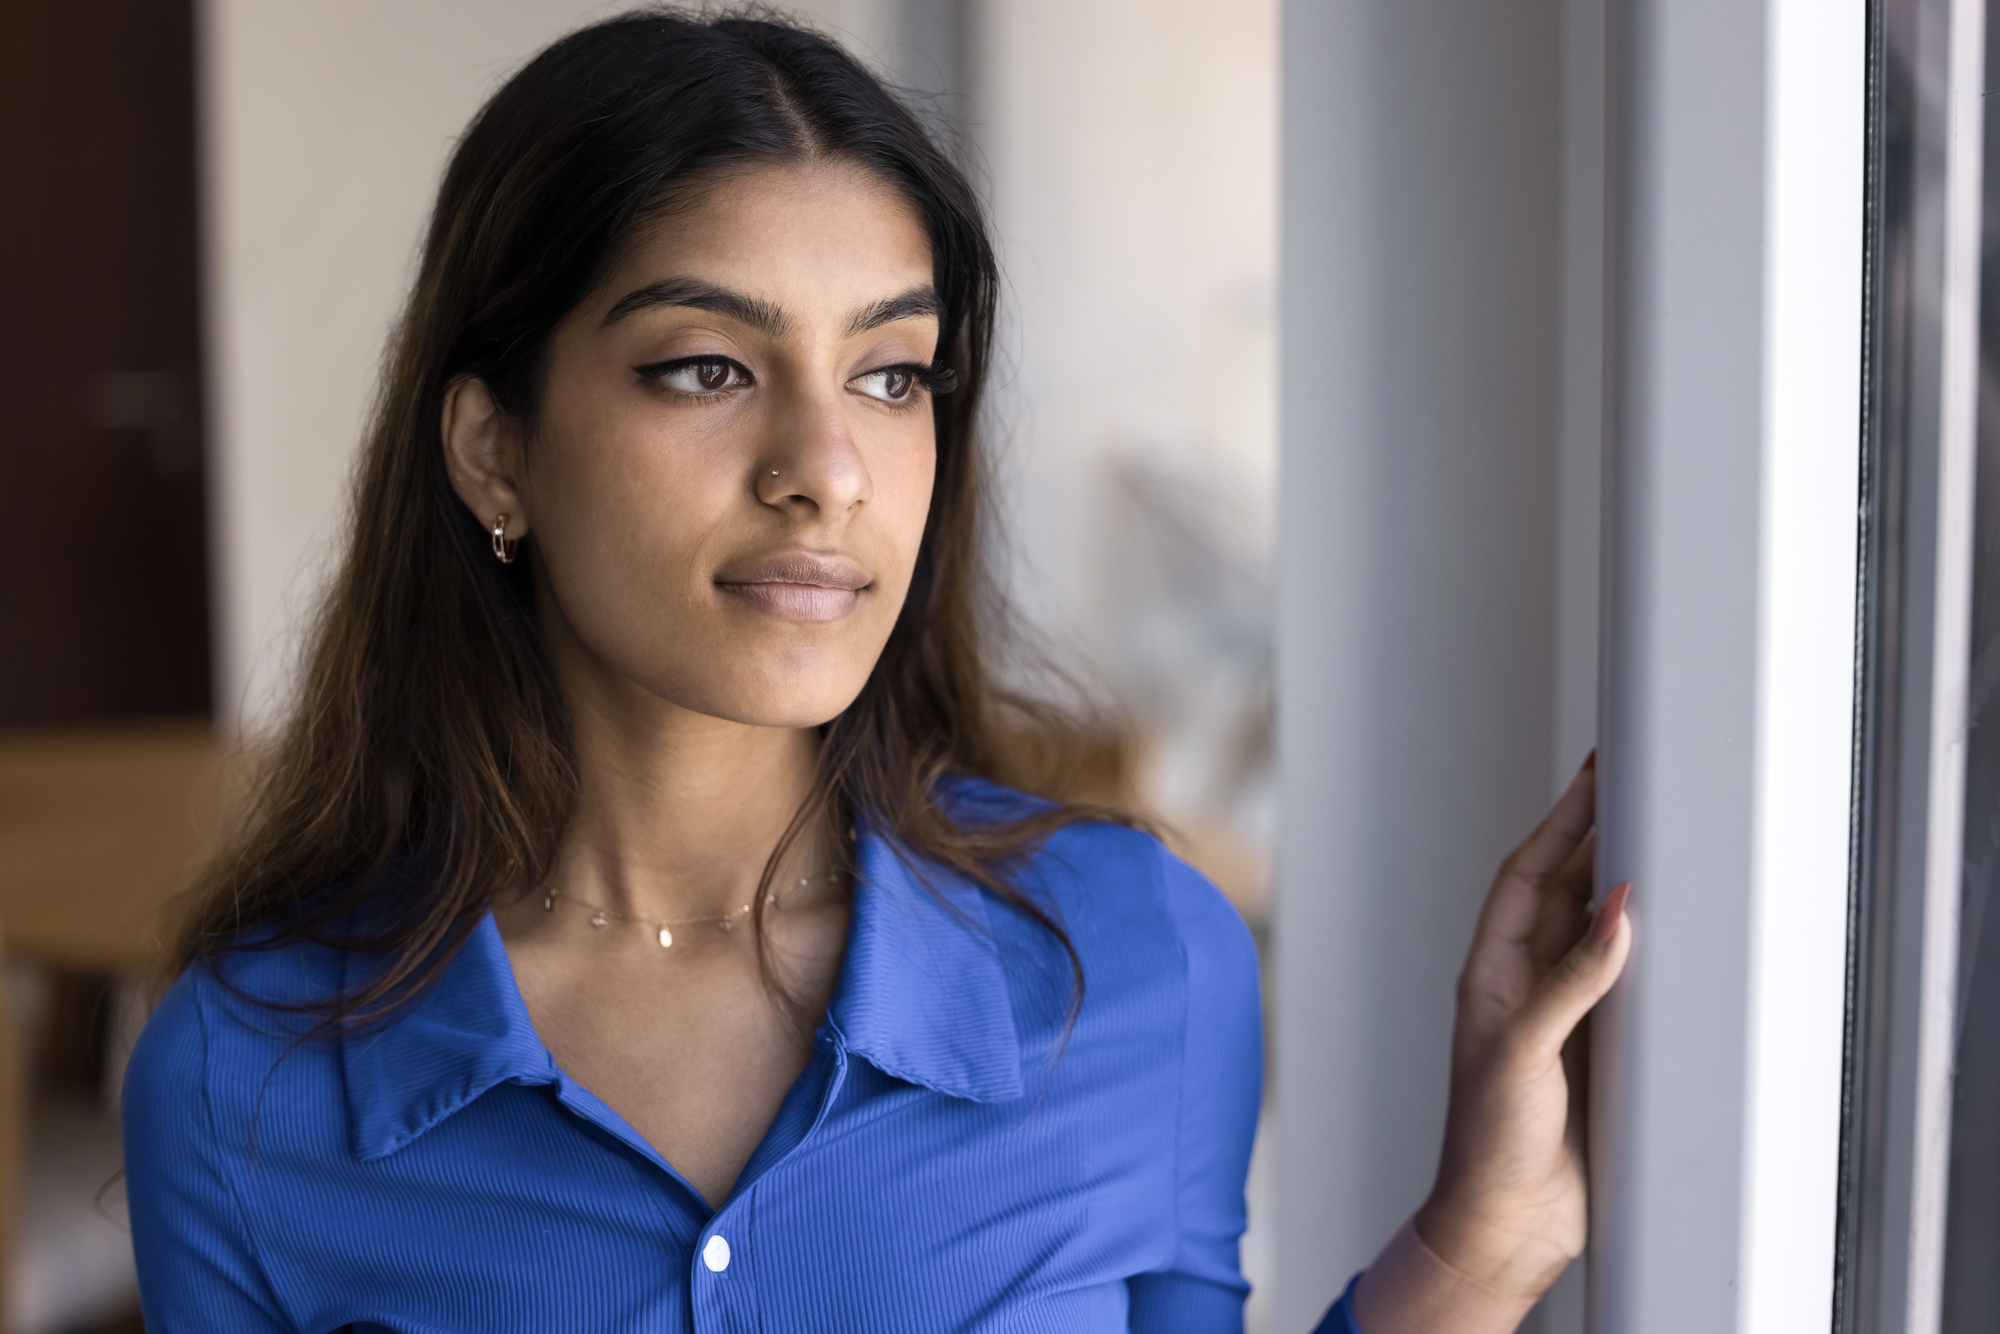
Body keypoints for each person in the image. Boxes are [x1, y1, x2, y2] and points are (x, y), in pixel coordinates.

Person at [121, 10, 1632, 1331]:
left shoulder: (1141, 959)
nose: (826, 469)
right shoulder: (240, 1074)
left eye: (890, 373)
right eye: (707, 367)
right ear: (491, 450)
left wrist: (1485, 1246)